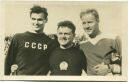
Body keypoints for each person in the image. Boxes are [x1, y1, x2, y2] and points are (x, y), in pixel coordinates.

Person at [5, 5, 58, 75]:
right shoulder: (18, 37)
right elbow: (7, 63)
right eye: (33, 19)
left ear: (46, 20)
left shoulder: (51, 43)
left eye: (40, 20)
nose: (36, 22)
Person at [79, 9, 121, 76]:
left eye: (90, 22)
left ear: (98, 20)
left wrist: (110, 68)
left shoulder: (113, 39)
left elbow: (125, 67)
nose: (87, 26)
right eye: (84, 23)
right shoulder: (81, 44)